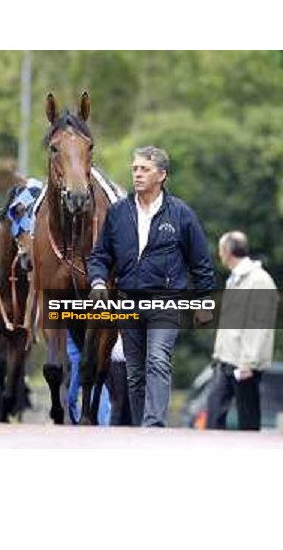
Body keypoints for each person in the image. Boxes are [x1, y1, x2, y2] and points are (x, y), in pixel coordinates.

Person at [88, 146, 214, 427]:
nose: (137, 174)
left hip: (166, 300)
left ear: (162, 175)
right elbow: (99, 256)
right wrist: (97, 280)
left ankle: (153, 425)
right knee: (135, 372)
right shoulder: (118, 212)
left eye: (144, 169)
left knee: (157, 359)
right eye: (134, 169)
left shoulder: (181, 214)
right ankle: (140, 427)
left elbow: (201, 263)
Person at [206, 231, 279, 431]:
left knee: (248, 421)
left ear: (228, 251)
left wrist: (248, 363)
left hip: (244, 365)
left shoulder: (259, 281)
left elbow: (259, 325)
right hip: (225, 361)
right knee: (213, 416)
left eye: (221, 250)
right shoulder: (235, 278)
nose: (219, 254)